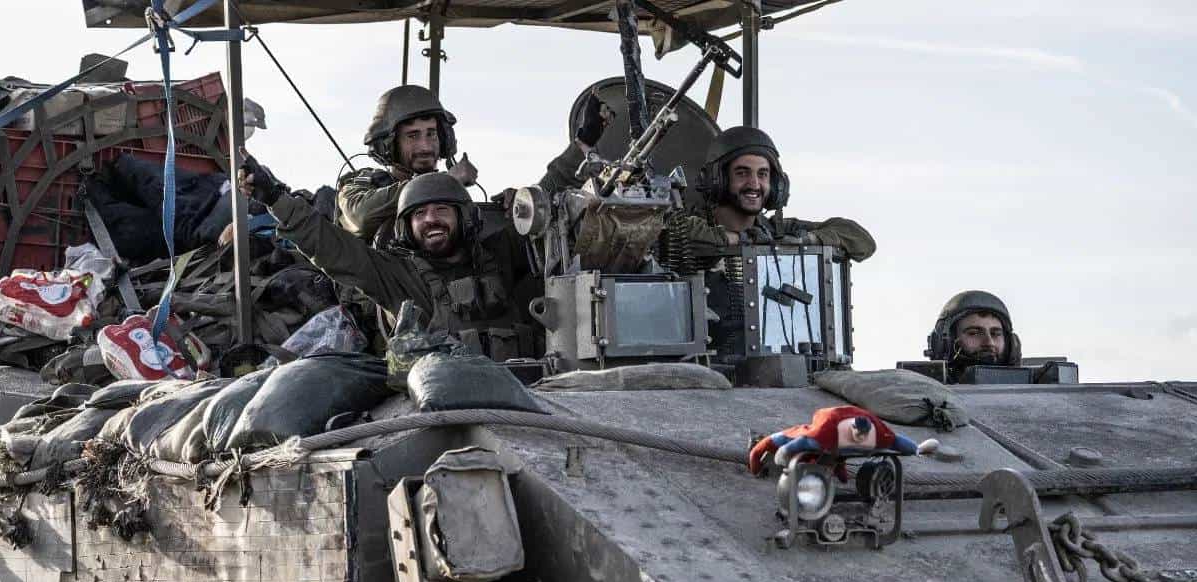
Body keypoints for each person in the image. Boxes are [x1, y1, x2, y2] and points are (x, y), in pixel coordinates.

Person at [242, 159, 540, 361]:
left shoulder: (501, 255)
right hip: (444, 412)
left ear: (466, 218)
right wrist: (276, 199)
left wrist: (527, 204)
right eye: (419, 214)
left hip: (524, 401)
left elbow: (551, 210)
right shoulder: (398, 276)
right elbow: (332, 248)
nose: (430, 219)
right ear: (406, 228)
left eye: (442, 210)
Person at [674, 125, 876, 354]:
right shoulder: (688, 228)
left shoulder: (777, 231)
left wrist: (807, 240)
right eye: (742, 173)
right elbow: (675, 231)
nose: (754, 184)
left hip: (778, 363)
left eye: (763, 174)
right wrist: (739, 240)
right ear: (717, 180)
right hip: (706, 365)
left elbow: (862, 241)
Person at [338, 84, 610, 248]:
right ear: (388, 144)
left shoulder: (455, 203)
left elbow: (537, 211)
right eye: (412, 136)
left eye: (431, 134)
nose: (425, 145)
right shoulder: (363, 184)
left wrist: (582, 145)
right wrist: (446, 182)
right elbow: (360, 217)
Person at [925, 290, 1022, 382]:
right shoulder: (924, 389)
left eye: (996, 334)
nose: (989, 343)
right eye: (974, 333)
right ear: (945, 343)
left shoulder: (1028, 386)